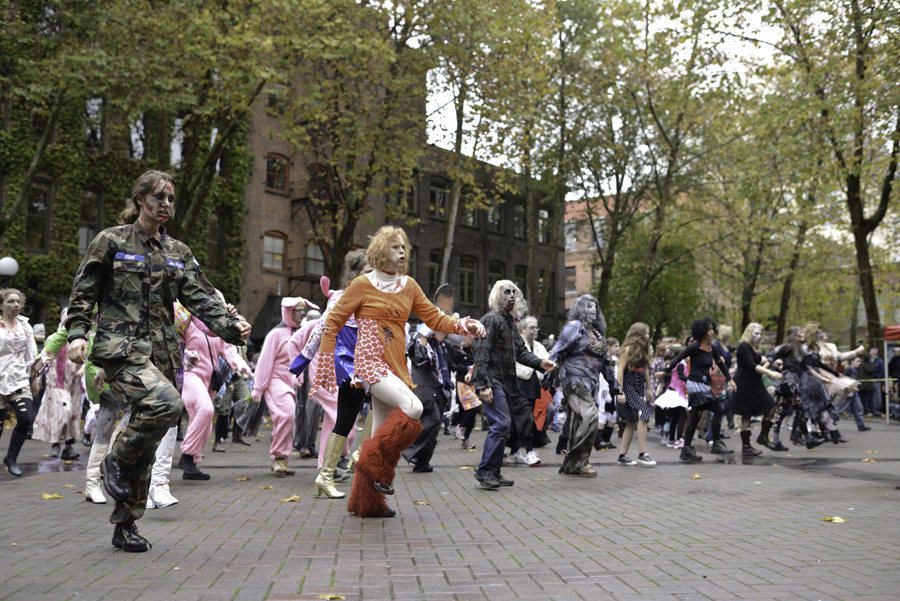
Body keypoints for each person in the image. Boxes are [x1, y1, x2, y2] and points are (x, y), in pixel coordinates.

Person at [65, 170, 251, 553]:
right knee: (167, 404)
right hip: (121, 351)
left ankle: (126, 524)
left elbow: (202, 298)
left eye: (171, 198)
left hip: (163, 354)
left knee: (148, 438)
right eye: (158, 197)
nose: (165, 204)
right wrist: (78, 334)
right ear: (140, 200)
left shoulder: (178, 252)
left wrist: (233, 327)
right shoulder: (112, 240)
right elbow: (84, 290)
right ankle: (112, 461)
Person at [313, 226, 485, 516]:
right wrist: (326, 363)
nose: (402, 251)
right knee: (413, 408)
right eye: (395, 247)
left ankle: (366, 504)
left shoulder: (409, 285)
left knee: (379, 433)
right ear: (381, 251)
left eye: (404, 247)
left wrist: (464, 325)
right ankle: (370, 464)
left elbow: (433, 317)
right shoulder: (362, 285)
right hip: (368, 365)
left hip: (395, 367)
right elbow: (332, 323)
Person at [289, 251, 372, 499]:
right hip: (349, 368)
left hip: (367, 366)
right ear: (355, 276)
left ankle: (325, 477)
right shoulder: (342, 300)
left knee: (345, 421)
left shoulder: (377, 297)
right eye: (367, 272)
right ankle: (359, 457)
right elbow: (319, 330)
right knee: (391, 404)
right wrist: (301, 361)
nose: (373, 277)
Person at [471, 281, 554, 487]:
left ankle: (494, 471)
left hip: (506, 384)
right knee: (502, 424)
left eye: (513, 292)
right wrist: (482, 385)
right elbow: (481, 353)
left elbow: (521, 352)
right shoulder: (490, 320)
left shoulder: (508, 321)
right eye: (506, 292)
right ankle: (485, 472)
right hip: (492, 382)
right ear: (495, 296)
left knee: (505, 427)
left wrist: (540, 363)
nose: (511, 296)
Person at [178, 291, 252, 480]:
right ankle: (187, 455)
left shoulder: (217, 329)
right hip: (190, 375)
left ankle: (191, 462)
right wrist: (186, 356)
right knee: (206, 410)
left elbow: (229, 349)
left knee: (205, 424)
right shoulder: (188, 321)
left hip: (211, 380)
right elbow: (176, 345)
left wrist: (241, 365)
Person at [252, 296, 318, 476]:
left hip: (293, 384)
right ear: (288, 311)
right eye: (298, 310)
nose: (302, 313)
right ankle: (278, 457)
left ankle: (281, 459)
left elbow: (309, 358)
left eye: (304, 310)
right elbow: (264, 362)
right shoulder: (275, 334)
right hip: (275, 382)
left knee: (287, 420)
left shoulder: (302, 333)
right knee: (287, 415)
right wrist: (258, 388)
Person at [656, 317, 735, 462]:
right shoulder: (695, 347)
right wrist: (665, 371)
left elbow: (721, 365)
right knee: (718, 410)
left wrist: (730, 379)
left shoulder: (712, 348)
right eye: (709, 329)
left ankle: (686, 449)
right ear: (702, 331)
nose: (712, 332)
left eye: (713, 329)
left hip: (704, 385)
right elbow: (677, 358)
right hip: (695, 385)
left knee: (696, 416)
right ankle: (716, 443)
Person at [549, 294, 609, 476]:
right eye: (589, 306)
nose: (593, 310)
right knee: (591, 417)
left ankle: (572, 465)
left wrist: (615, 385)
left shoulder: (598, 333)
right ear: (580, 309)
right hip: (573, 380)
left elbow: (605, 363)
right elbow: (556, 351)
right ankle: (578, 460)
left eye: (595, 307)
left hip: (591, 383)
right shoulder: (574, 327)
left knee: (578, 423)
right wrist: (547, 376)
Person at [31, 308, 84, 460]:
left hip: (74, 383)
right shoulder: (53, 338)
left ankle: (68, 447)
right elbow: (45, 361)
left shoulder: (80, 339)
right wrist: (38, 379)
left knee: (72, 415)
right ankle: (55, 443)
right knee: (62, 412)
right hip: (56, 383)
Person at [0, 289, 40, 477]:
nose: (15, 305)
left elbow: (32, 354)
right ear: (1, 305)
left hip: (19, 378)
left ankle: (11, 458)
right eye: (10, 302)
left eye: (18, 302)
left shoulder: (26, 326)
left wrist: (36, 377)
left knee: (25, 419)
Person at [732, 323, 783, 455]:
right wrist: (771, 373)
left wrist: (772, 362)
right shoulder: (743, 346)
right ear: (749, 333)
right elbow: (751, 364)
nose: (759, 336)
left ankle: (763, 436)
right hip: (745, 383)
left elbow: (760, 363)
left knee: (772, 406)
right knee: (746, 414)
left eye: (760, 334)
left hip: (755, 383)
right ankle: (746, 446)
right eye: (756, 333)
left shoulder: (753, 348)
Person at [507, 316, 549, 466]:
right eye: (532, 327)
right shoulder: (516, 344)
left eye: (537, 327)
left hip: (533, 387)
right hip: (518, 385)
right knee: (527, 419)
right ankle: (530, 452)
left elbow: (547, 360)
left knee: (521, 421)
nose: (535, 330)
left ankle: (513, 453)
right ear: (523, 329)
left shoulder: (538, 346)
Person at [615, 323, 656, 467]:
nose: (648, 336)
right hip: (627, 387)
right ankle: (643, 454)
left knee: (631, 422)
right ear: (638, 334)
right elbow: (620, 371)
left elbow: (645, 370)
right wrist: (620, 392)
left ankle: (622, 455)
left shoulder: (643, 352)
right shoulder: (627, 350)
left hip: (638, 388)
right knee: (644, 413)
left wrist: (649, 388)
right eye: (646, 333)